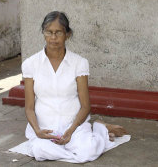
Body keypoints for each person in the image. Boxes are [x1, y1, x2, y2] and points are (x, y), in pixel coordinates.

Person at [22, 11, 127, 163]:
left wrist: (71, 130)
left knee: (87, 153)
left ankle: (99, 129)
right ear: (43, 33)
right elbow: (29, 107)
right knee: (40, 150)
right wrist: (38, 131)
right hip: (45, 128)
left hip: (73, 125)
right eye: (48, 32)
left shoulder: (79, 63)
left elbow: (85, 106)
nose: (53, 37)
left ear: (67, 34)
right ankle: (73, 151)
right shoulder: (30, 64)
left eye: (58, 32)